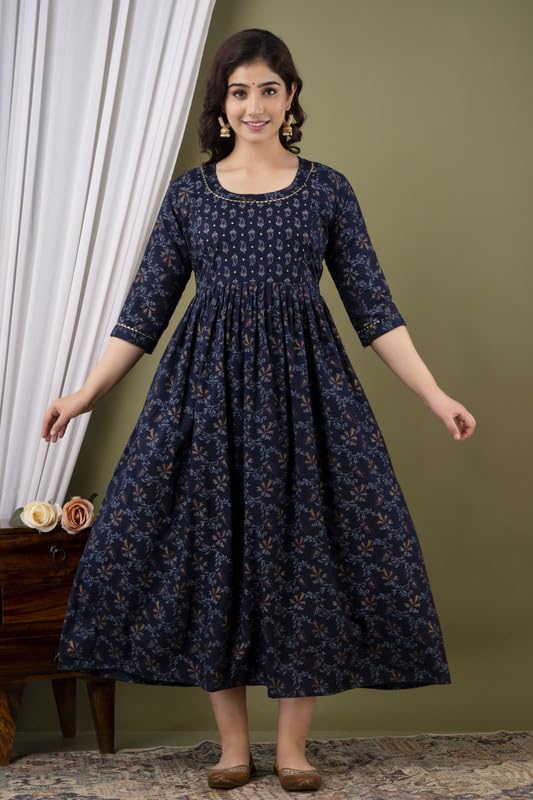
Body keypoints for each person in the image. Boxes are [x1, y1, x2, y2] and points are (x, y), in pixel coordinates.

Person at [42, 28, 476, 792]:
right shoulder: (190, 195)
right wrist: (84, 394)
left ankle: (295, 749)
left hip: (306, 400)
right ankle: (233, 747)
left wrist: (434, 394)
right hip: (204, 400)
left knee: (302, 556)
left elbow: (373, 308)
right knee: (216, 554)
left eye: (268, 90)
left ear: (290, 96)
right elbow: (143, 313)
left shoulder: (327, 190)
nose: (254, 105)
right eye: (239, 91)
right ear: (221, 102)